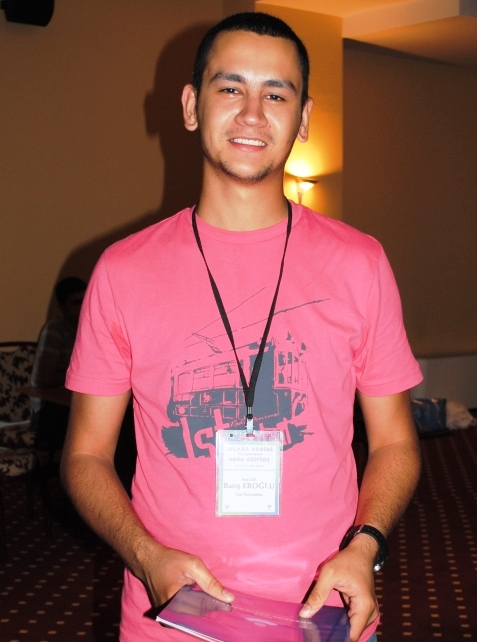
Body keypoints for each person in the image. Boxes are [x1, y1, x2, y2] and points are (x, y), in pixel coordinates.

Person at [61, 12, 422, 642]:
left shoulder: (360, 264)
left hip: (326, 613)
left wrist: (365, 546)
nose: (253, 113)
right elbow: (85, 457)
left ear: (303, 119)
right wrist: (147, 557)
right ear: (191, 106)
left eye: (276, 95)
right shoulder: (122, 272)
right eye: (230, 88)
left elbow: (395, 443)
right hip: (171, 616)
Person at [31, 276, 86, 450]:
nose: (83, 306)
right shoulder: (55, 330)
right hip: (47, 410)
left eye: (86, 300)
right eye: (76, 303)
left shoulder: (90, 329)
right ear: (62, 307)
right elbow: (45, 378)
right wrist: (83, 377)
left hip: (76, 402)